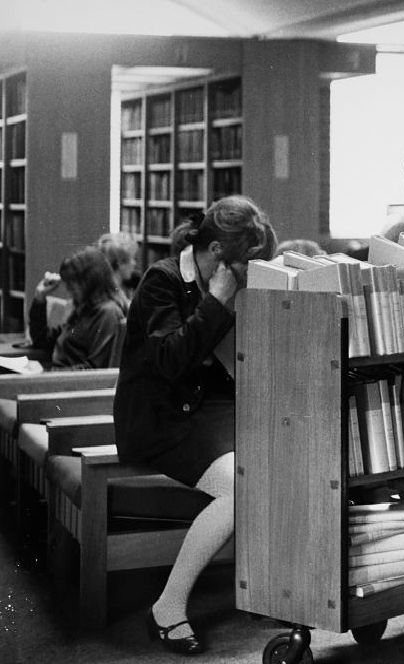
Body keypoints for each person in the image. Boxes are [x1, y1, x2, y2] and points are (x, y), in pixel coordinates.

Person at [114, 195, 277, 654]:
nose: (247, 276)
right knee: (240, 488)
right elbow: (169, 363)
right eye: (244, 266)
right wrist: (220, 301)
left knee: (284, 458)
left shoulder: (222, 279)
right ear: (217, 257)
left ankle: (271, 590)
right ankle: (168, 607)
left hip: (211, 413)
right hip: (160, 418)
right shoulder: (162, 280)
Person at [29, 246, 128, 370]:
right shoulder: (83, 309)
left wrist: (47, 373)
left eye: (73, 283)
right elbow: (42, 340)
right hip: (60, 378)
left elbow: (96, 369)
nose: (69, 289)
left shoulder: (108, 313)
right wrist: (40, 297)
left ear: (90, 281)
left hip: (71, 384)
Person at [94, 231, 141, 300]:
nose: (134, 263)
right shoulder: (110, 299)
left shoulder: (124, 287)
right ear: (120, 263)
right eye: (132, 258)